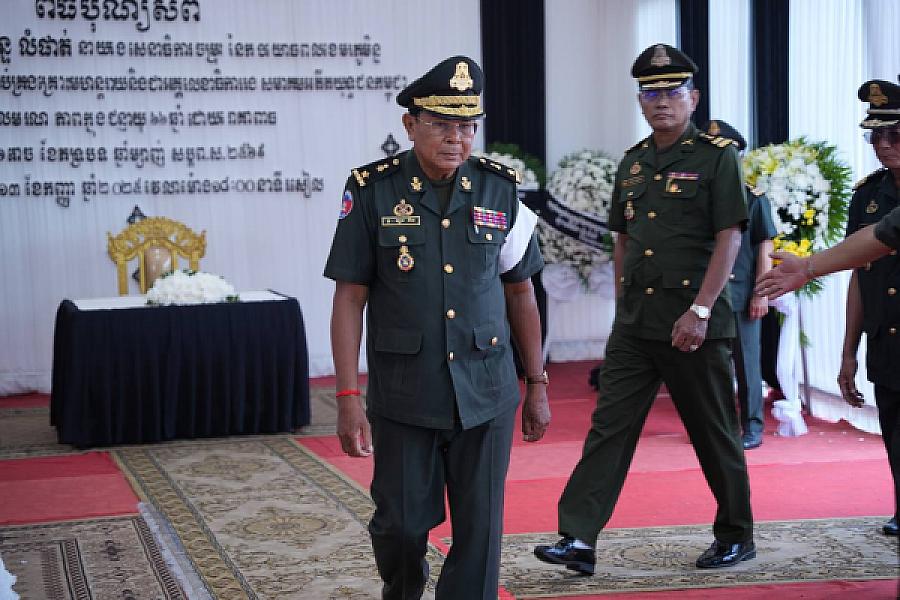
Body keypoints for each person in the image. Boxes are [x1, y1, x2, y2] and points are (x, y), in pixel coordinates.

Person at [324, 55, 551, 600]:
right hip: (406, 394)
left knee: (480, 535)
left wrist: (537, 384)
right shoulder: (372, 191)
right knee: (400, 525)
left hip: (487, 389)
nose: (457, 138)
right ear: (410, 124)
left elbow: (521, 291)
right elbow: (349, 296)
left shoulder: (501, 191)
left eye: (467, 126)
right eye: (442, 125)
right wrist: (349, 394)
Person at [533, 43, 754, 574]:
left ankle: (736, 533)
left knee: (713, 430)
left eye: (672, 92)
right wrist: (622, 305)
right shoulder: (632, 164)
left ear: (693, 98)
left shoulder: (716, 158)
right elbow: (623, 241)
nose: (661, 102)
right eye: (651, 93)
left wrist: (701, 310)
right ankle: (579, 539)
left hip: (693, 324)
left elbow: (730, 237)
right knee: (609, 427)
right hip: (636, 324)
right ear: (640, 100)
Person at [759, 78, 900, 536]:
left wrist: (809, 267)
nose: (884, 145)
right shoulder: (870, 194)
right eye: (876, 136)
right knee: (895, 432)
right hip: (887, 336)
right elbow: (862, 267)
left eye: (895, 134)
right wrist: (847, 351)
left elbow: (880, 239)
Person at [700, 119, 777, 450]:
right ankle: (719, 426)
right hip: (705, 296)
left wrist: (761, 292)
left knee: (747, 363)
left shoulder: (752, 198)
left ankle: (752, 426)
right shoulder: (697, 199)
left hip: (743, 292)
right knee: (708, 365)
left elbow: (765, 245)